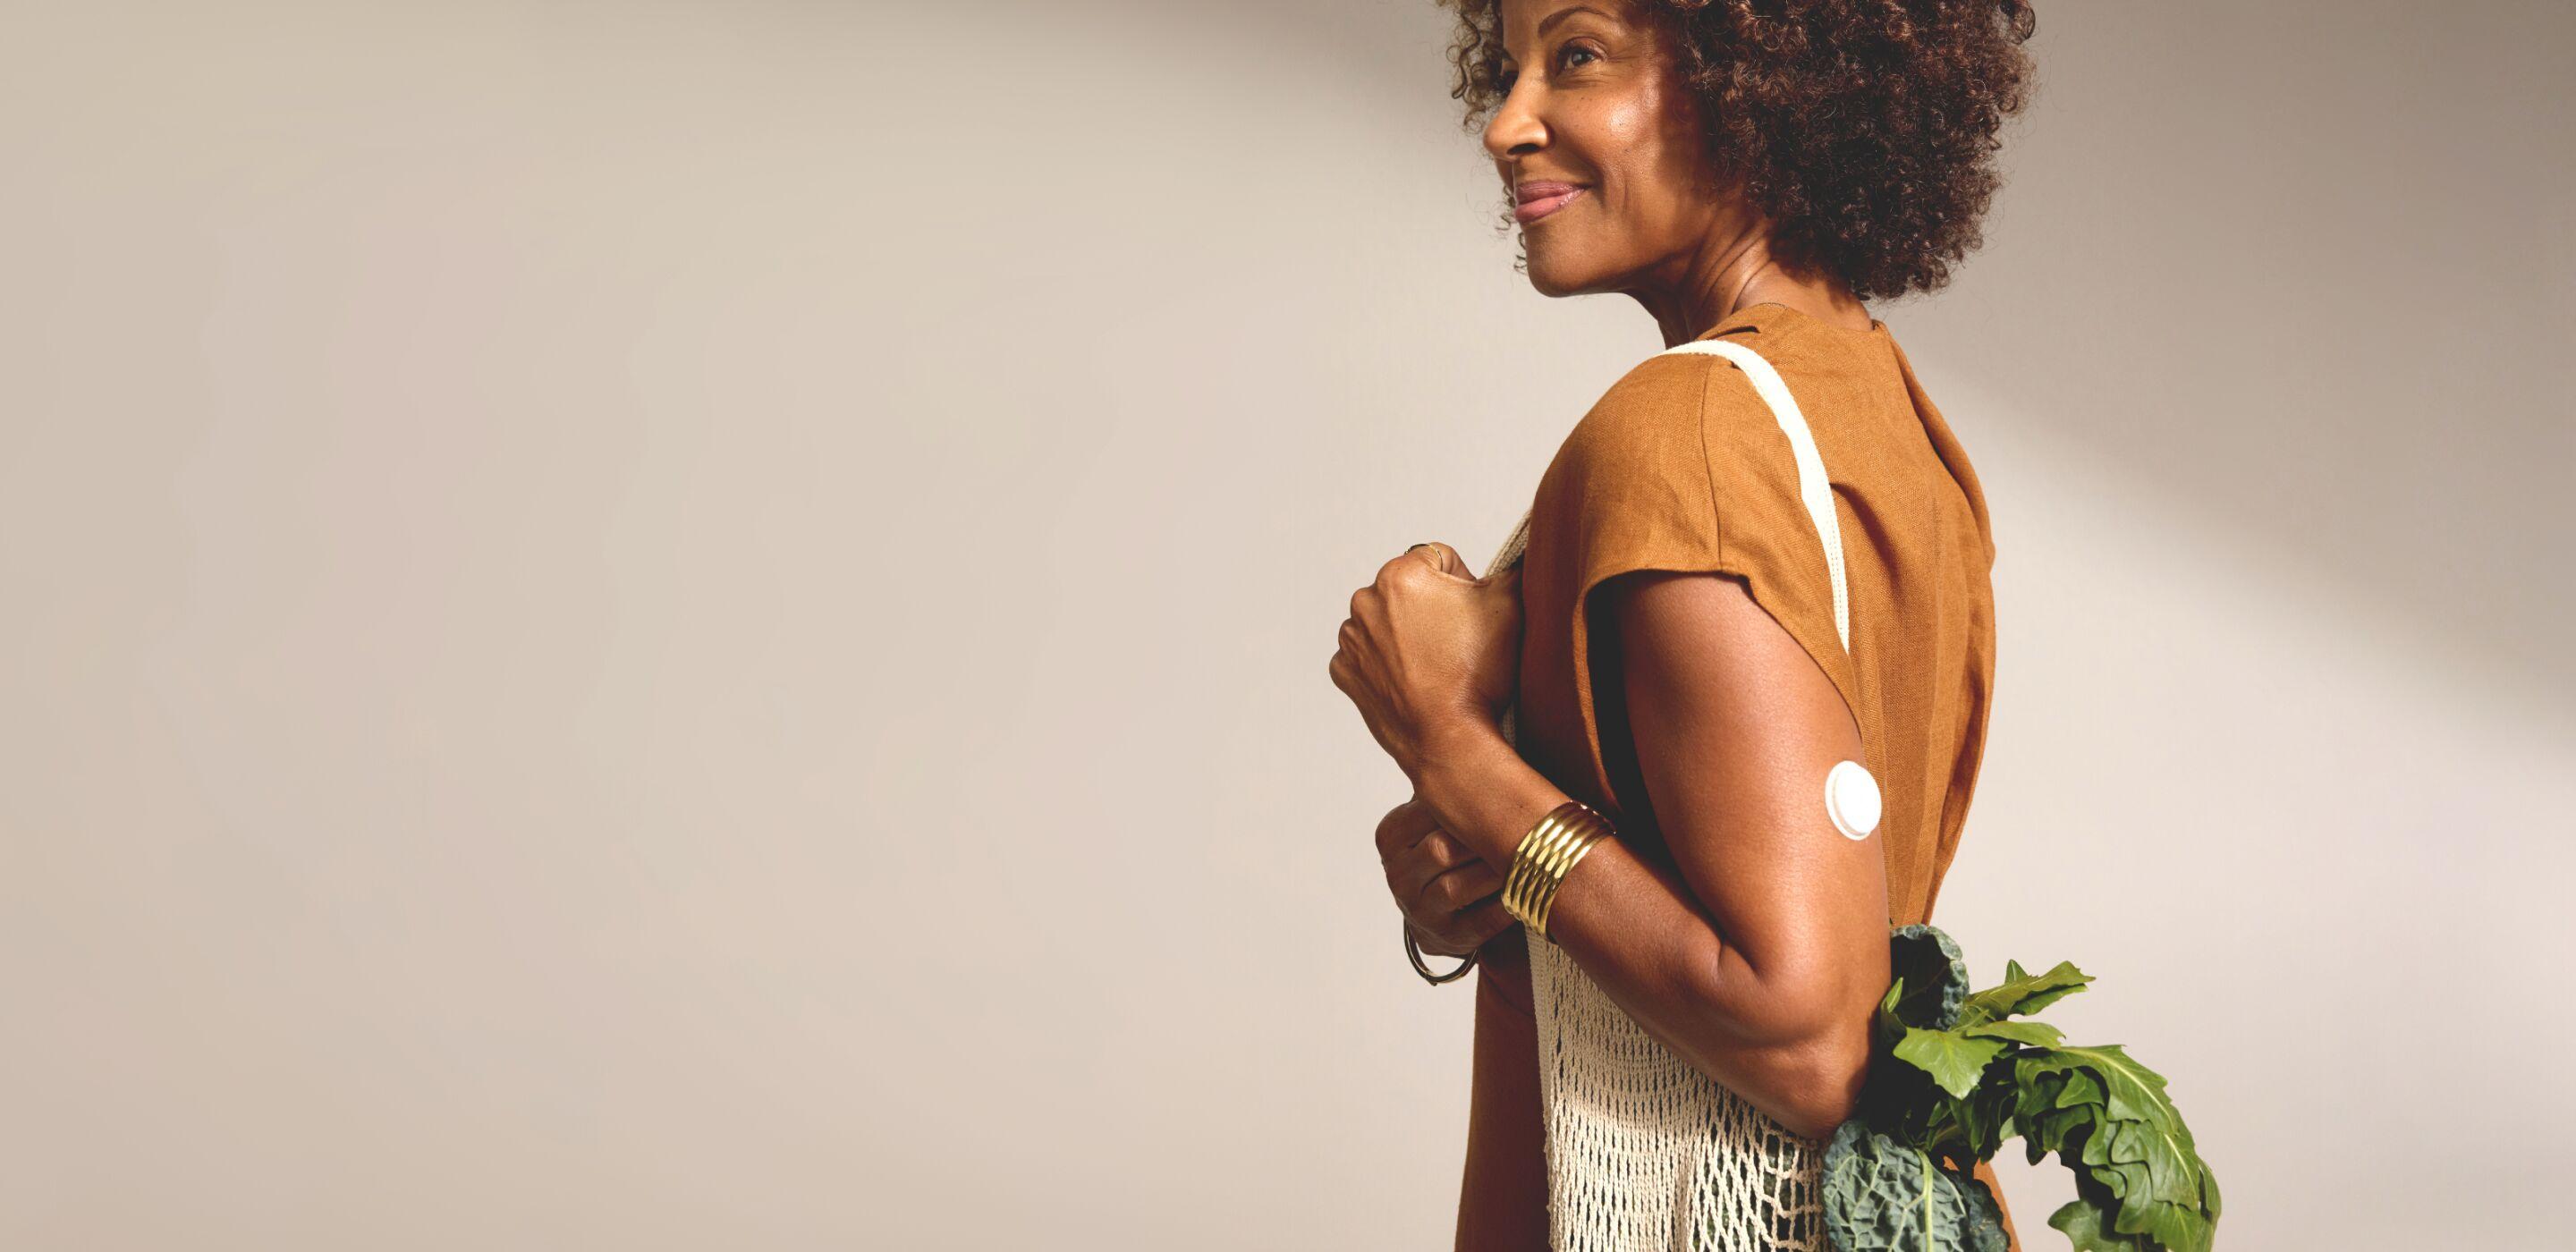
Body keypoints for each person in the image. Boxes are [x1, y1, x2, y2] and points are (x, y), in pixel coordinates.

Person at [1326, 1, 2039, 1248]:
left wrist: (1455, 750)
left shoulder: (1691, 431)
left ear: (1753, 78)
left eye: (1578, 56)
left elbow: (1807, 1037)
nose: (1505, 123)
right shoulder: (1883, 408)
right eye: (1508, 68)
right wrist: (1489, 879)